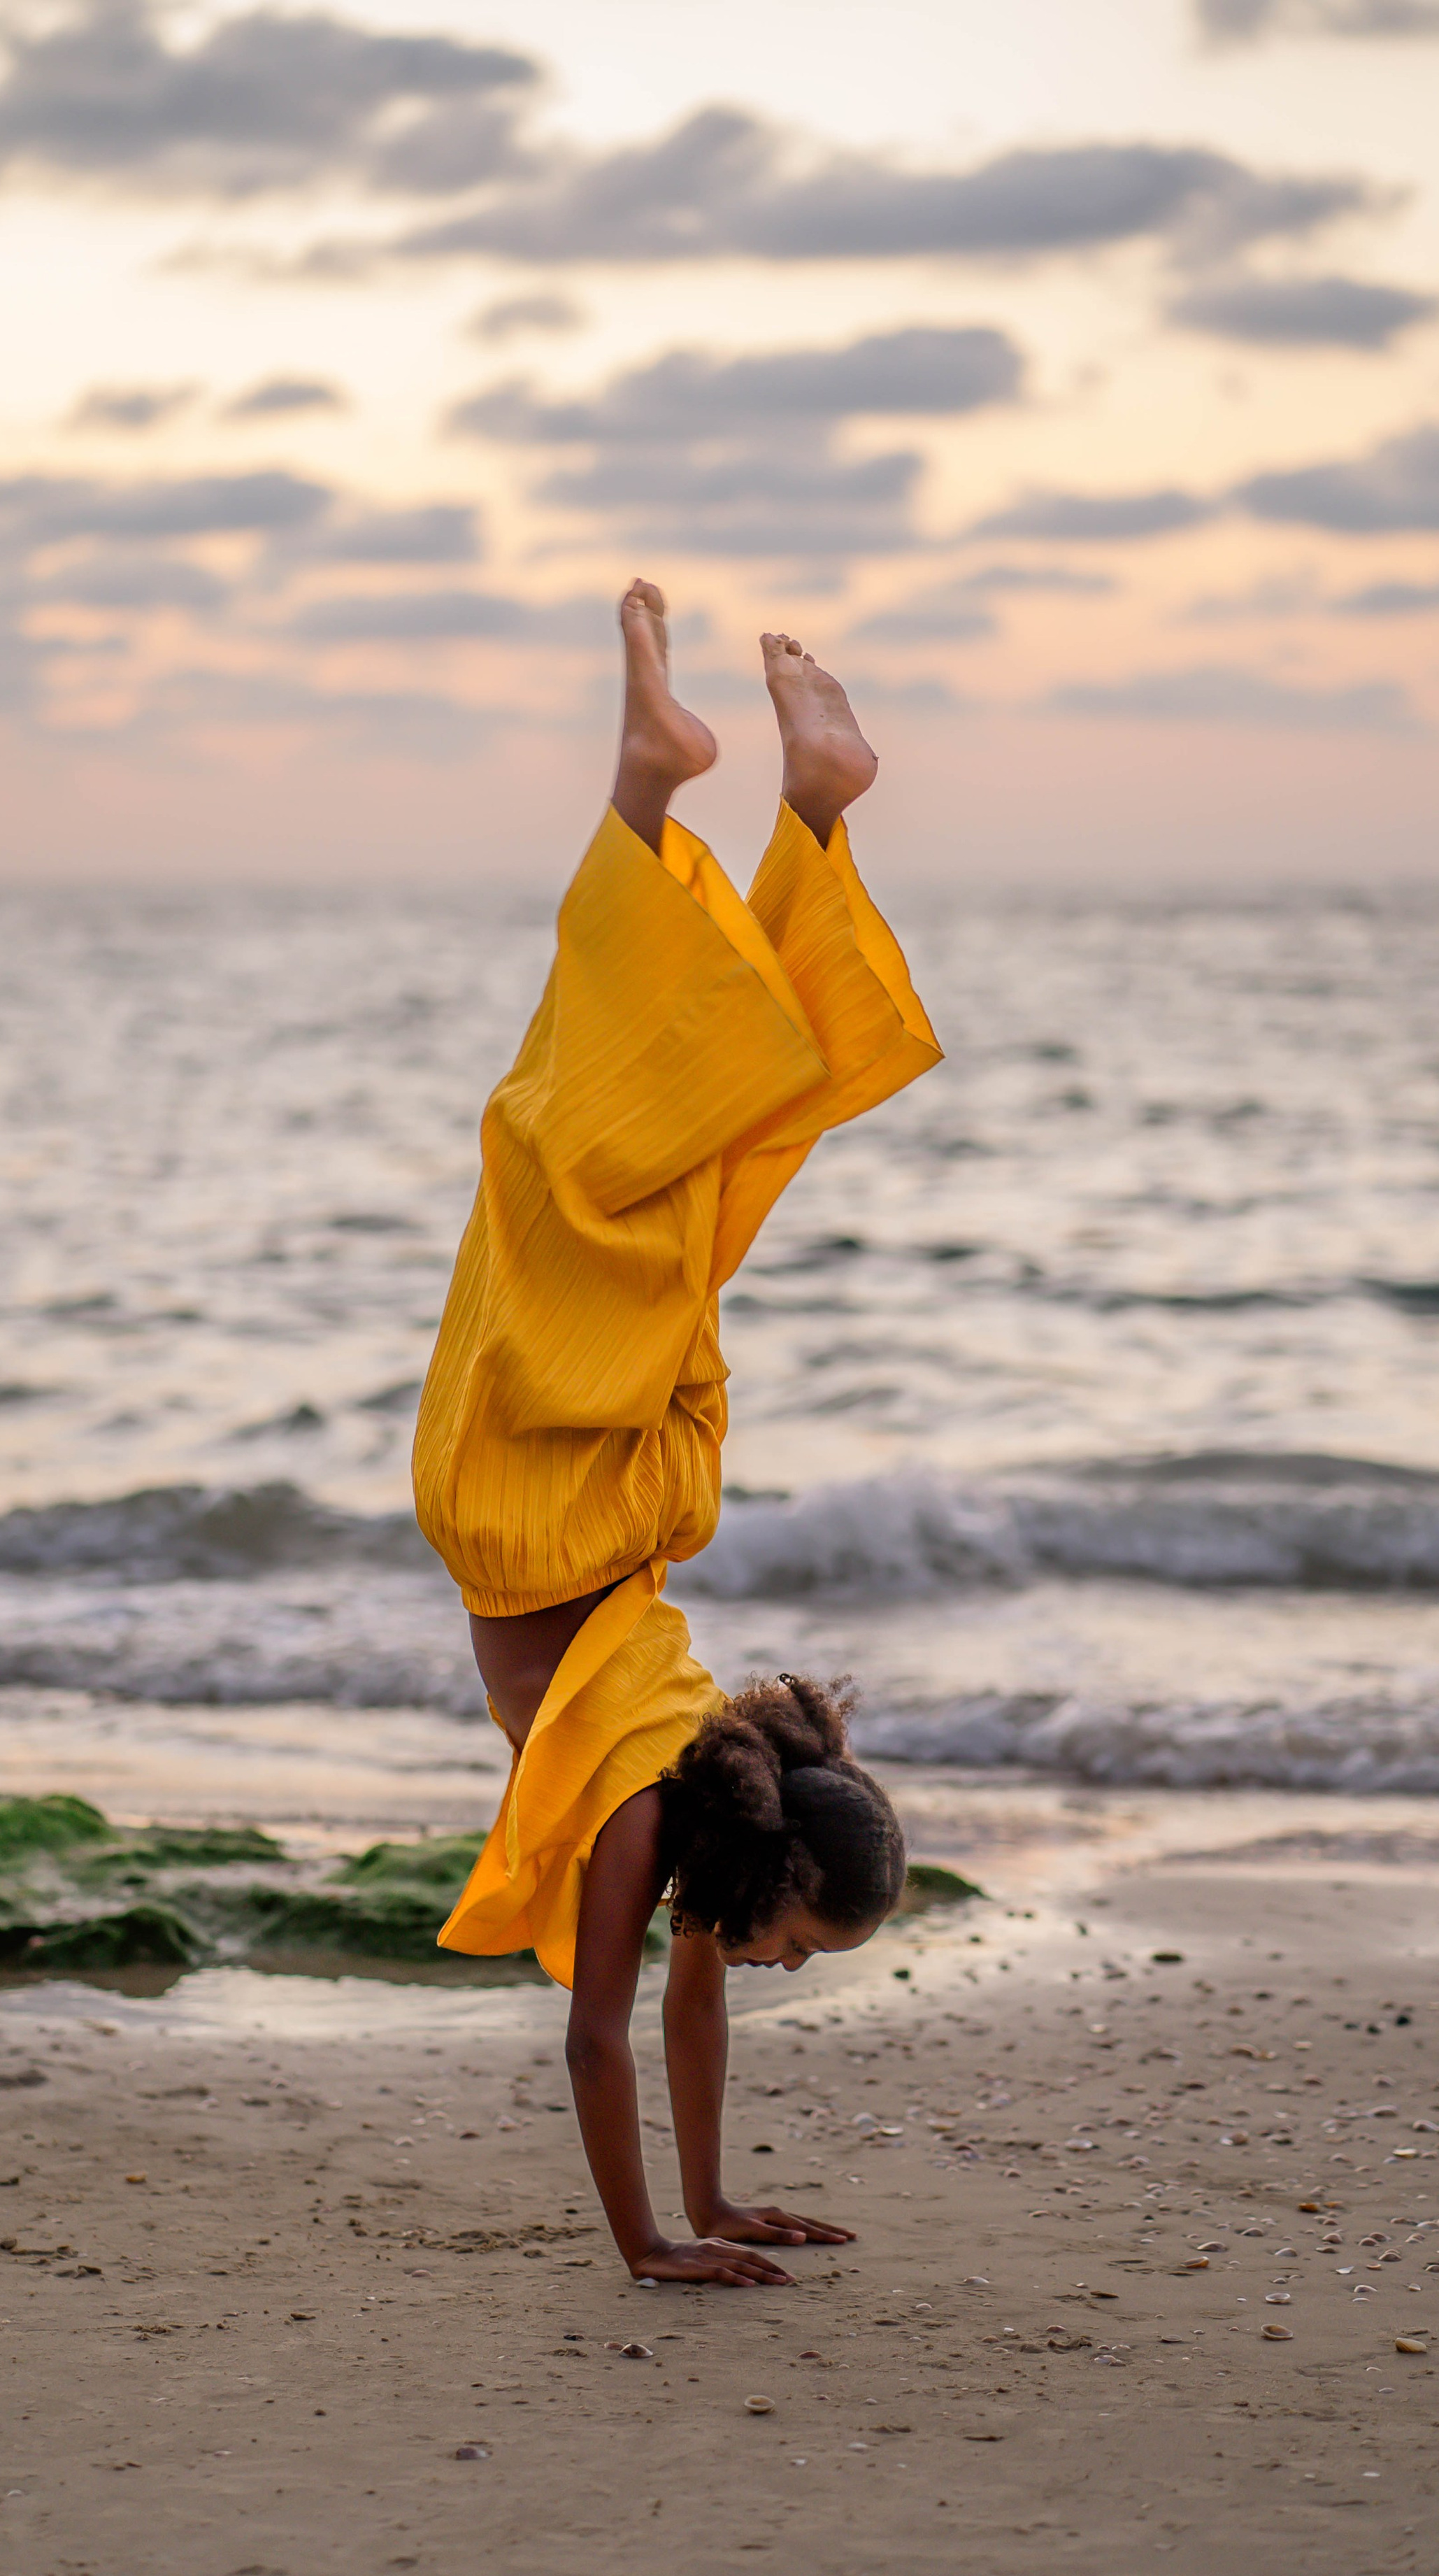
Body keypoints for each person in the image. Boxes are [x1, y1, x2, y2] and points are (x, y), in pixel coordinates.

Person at [413, 581, 943, 2287]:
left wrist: (715, 2207)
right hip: (531, 1492)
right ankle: (675, 791)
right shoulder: (654, 1817)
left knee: (670, 1166)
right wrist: (647, 2246)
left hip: (626, 1484)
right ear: (771, 1864)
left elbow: (678, 2030)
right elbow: (594, 2047)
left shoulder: (709, 1796)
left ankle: (768, 806)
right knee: (568, 1153)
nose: (786, 1966)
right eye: (805, 1938)